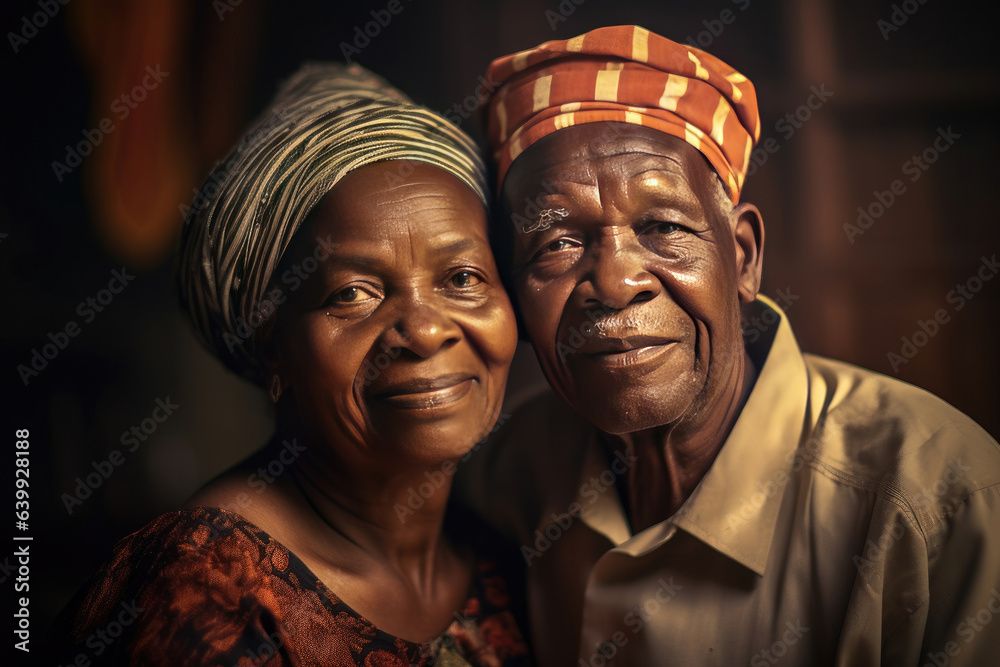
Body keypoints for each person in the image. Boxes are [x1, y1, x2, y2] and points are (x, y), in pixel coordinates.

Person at [456, 25, 1000, 666]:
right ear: (513, 290)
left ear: (742, 257)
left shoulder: (939, 502)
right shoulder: (508, 471)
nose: (614, 282)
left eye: (663, 227)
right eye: (557, 243)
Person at [58, 63, 531, 666]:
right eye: (353, 293)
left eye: (463, 278)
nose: (426, 330)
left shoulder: (502, 553)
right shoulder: (207, 590)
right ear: (271, 345)